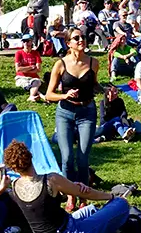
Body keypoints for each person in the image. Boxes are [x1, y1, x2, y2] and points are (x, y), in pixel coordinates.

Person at [4, 140, 129, 233]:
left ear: (14, 169)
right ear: (31, 157)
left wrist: (70, 186)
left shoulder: (15, 185)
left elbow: (43, 204)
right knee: (121, 204)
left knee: (90, 210)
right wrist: (111, 197)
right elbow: (87, 193)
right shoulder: (51, 180)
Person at [43, 27, 100, 188]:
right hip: (65, 113)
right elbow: (49, 94)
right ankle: (70, 194)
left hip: (87, 111)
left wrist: (106, 90)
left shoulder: (93, 62)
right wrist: (64, 96)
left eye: (82, 37)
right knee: (67, 157)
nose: (81, 40)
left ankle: (83, 195)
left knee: (82, 158)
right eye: (76, 38)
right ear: (68, 43)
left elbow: (93, 84)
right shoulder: (60, 64)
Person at [14, 34, 42, 102]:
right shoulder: (19, 53)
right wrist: (31, 67)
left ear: (31, 41)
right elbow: (18, 69)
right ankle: (36, 95)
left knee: (36, 82)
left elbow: (38, 69)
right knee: (27, 84)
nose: (25, 43)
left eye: (27, 41)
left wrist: (24, 70)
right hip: (21, 77)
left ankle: (31, 96)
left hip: (34, 78)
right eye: (23, 41)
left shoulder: (36, 53)